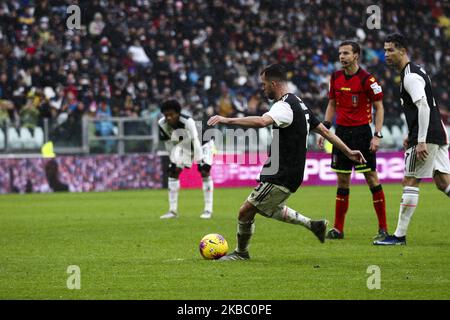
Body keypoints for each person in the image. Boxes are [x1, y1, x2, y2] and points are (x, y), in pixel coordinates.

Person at [207, 64, 366, 260]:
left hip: (281, 173)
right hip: (291, 173)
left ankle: (241, 253)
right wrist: (348, 151)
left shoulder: (283, 106)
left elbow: (262, 121)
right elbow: (324, 131)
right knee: (270, 208)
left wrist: (227, 120)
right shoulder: (300, 103)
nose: (263, 89)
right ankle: (313, 225)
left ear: (274, 83)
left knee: (245, 212)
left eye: (264, 84)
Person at [374, 33, 450, 245]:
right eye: (385, 50)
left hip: (428, 136)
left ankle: (398, 236)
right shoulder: (414, 71)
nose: (386, 54)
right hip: (437, 132)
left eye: (390, 50)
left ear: (402, 51)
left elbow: (424, 105)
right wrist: (412, 132)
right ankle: (398, 235)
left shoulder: (410, 76)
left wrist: (421, 139)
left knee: (410, 180)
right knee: (443, 182)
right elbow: (425, 107)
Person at [317, 40, 388, 240]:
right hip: (341, 134)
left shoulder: (368, 79)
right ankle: (338, 229)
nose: (341, 57)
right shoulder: (335, 77)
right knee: (342, 180)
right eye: (340, 53)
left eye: (346, 53)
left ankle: (383, 228)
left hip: (362, 134)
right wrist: (325, 128)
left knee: (371, 178)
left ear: (356, 55)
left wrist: (377, 134)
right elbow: (332, 103)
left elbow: (379, 107)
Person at [158, 99, 215, 219]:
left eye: (171, 114)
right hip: (184, 146)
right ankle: (172, 211)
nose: (168, 117)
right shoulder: (162, 123)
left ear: (178, 113)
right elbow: (168, 144)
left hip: (203, 143)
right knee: (173, 171)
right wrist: (173, 160)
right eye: (166, 115)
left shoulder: (188, 122)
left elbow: (196, 141)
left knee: (204, 171)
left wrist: (199, 162)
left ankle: (208, 210)